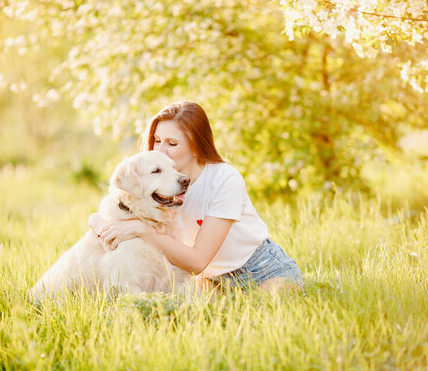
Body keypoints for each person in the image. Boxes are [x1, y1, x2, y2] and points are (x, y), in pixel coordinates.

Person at [89, 101, 303, 292]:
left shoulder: (224, 179)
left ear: (196, 146)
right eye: (157, 140)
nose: (161, 150)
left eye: (172, 144)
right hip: (210, 280)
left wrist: (142, 230)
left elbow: (198, 260)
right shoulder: (154, 183)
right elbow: (107, 212)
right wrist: (101, 226)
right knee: (201, 317)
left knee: (264, 312)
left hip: (261, 269)